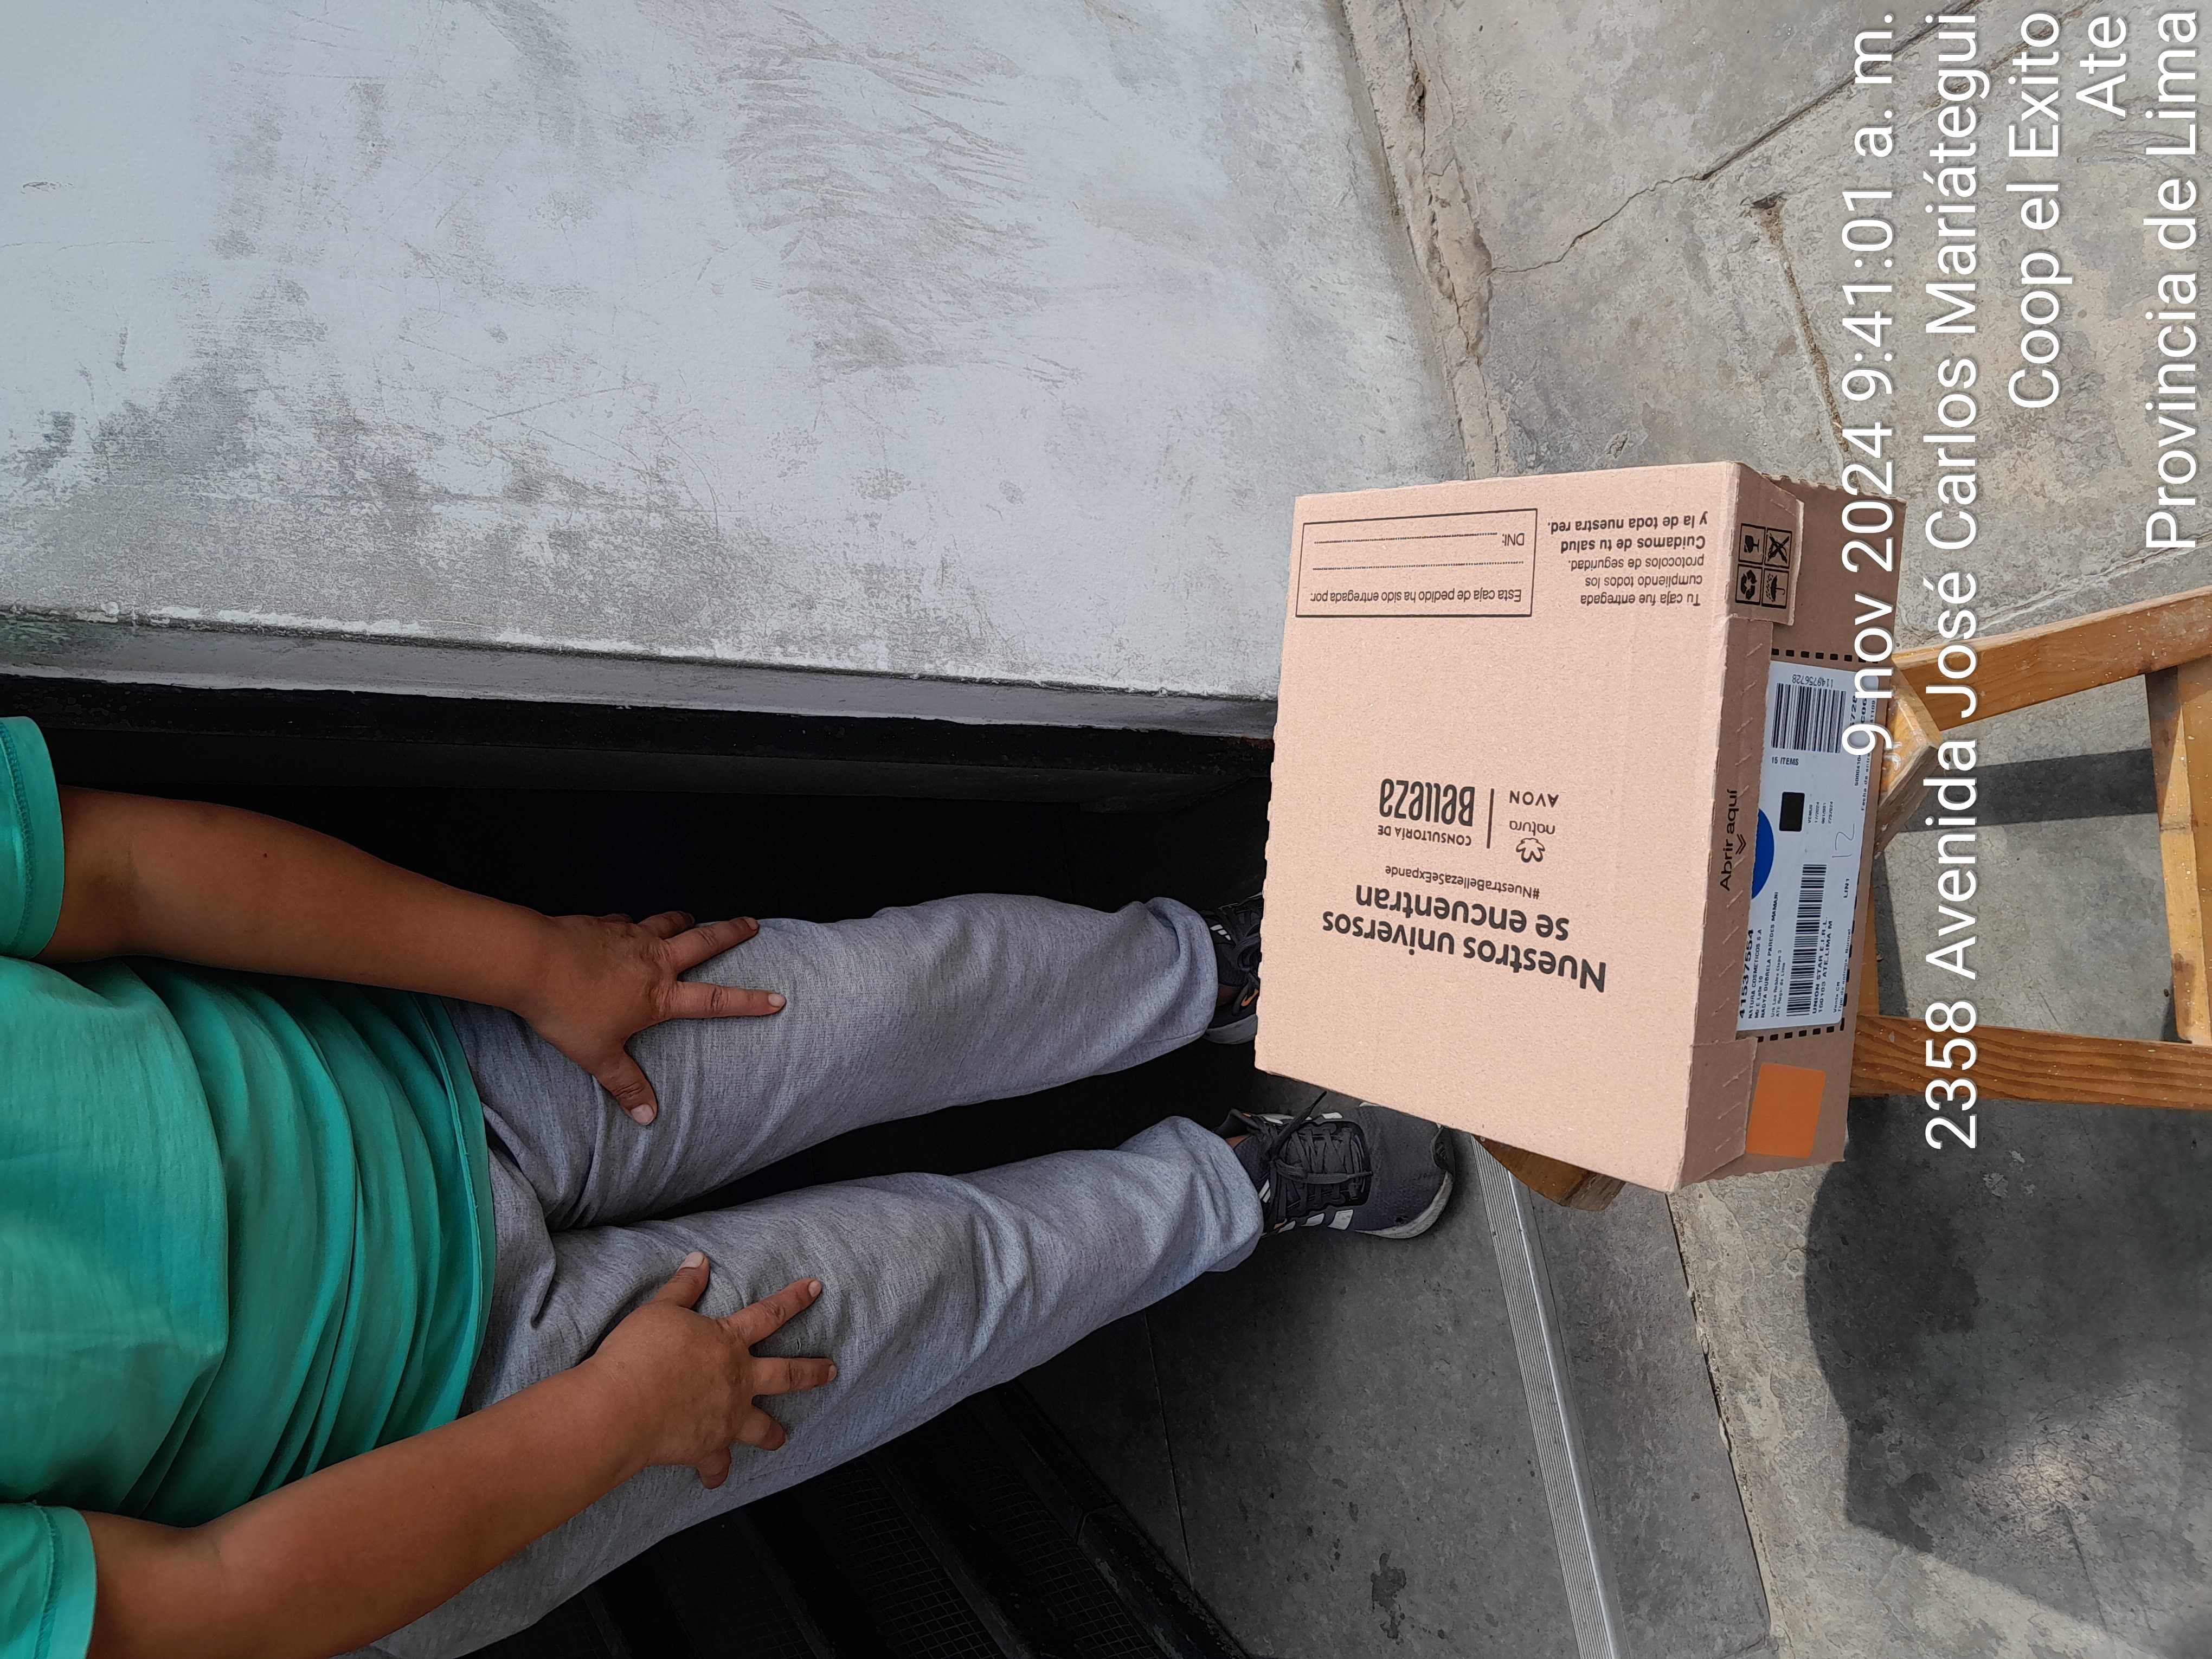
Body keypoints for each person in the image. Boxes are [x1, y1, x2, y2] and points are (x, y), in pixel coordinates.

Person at [0, 712, 1456, 1659]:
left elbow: (114, 867)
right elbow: (217, 1604)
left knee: (891, 996)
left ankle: (1217, 971)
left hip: (427, 1062)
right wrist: (616, 1418)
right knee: (932, 1286)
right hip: (468, 1432)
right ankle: (1240, 1190)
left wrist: (534, 959)